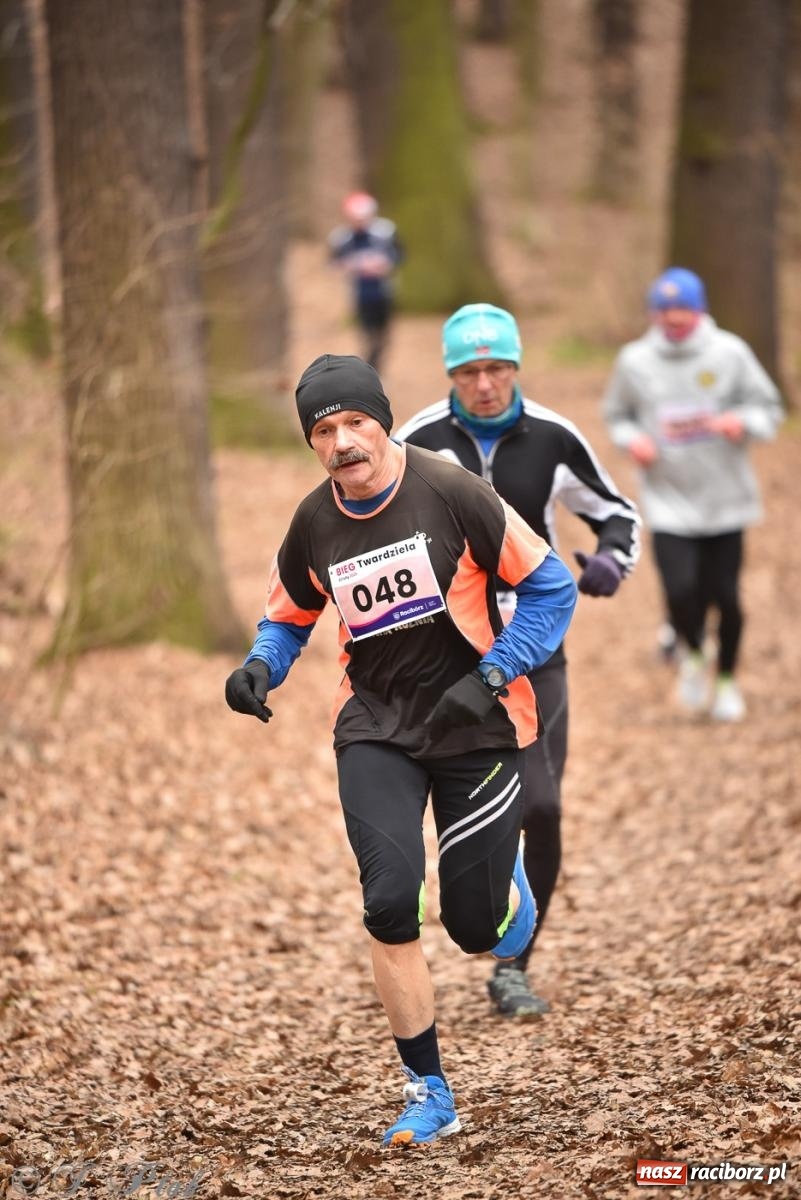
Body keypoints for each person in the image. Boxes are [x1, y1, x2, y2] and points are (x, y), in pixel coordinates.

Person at [225, 353, 578, 1146]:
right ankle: (429, 1091)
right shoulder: (314, 521)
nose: (343, 441)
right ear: (311, 443)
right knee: (388, 903)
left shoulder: (452, 492)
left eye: (355, 422)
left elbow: (550, 587)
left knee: (476, 929)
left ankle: (505, 894)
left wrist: (491, 674)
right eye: (323, 430)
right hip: (375, 725)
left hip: (476, 725)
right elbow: (288, 616)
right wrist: (259, 667)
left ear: (382, 421)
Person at [396, 304, 640, 1021]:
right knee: (458, 804)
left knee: (542, 805)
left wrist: (609, 563)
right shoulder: (414, 442)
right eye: (468, 372)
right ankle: (440, 911)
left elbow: (616, 512)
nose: (483, 385)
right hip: (446, 652)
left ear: (514, 367)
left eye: (496, 368)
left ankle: (514, 968)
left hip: (535, 649)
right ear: (450, 374)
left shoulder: (553, 437)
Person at [602, 267, 783, 722]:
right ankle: (695, 655)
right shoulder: (635, 360)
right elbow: (616, 414)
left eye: (683, 308)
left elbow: (769, 408)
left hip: (725, 499)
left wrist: (742, 423)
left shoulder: (730, 353)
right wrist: (632, 440)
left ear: (700, 310)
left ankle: (726, 682)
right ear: (653, 314)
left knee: (726, 597)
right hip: (668, 500)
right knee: (680, 590)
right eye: (664, 310)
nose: (674, 318)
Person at [328, 192, 403, 373]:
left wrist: (384, 265)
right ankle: (370, 365)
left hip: (384, 290)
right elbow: (333, 262)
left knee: (383, 331)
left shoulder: (386, 232)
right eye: (355, 218)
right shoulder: (341, 237)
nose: (359, 222)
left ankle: (378, 362)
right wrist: (352, 265)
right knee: (366, 330)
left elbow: (399, 254)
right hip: (358, 291)